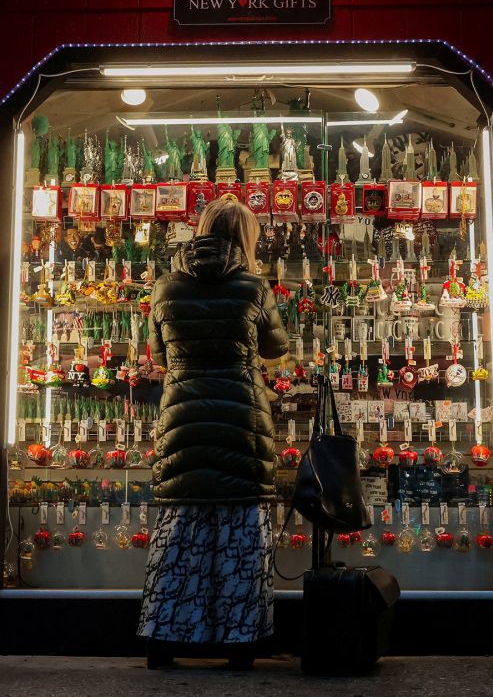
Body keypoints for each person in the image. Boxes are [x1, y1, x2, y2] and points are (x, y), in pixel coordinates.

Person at [138, 198, 289, 670]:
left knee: (180, 531)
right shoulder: (252, 287)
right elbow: (275, 347)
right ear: (245, 239)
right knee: (241, 531)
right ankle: (239, 644)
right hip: (241, 419)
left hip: (181, 417)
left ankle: (163, 641)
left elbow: (159, 355)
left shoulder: (165, 287)